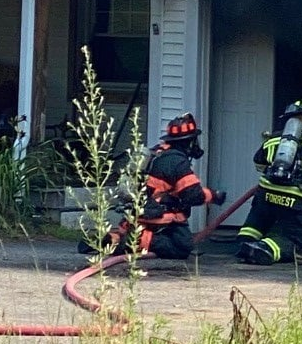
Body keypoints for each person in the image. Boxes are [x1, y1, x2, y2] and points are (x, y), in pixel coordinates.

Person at [85, 112, 223, 261]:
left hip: (142, 213)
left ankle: (114, 239)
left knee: (181, 240)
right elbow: (192, 195)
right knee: (182, 249)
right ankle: (135, 240)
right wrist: (214, 196)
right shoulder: (177, 161)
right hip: (157, 216)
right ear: (188, 142)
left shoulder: (158, 153)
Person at [236, 99, 302, 265]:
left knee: (257, 221)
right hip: (295, 200)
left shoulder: (274, 138)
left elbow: (258, 162)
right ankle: (266, 250)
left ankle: (245, 243)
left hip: (265, 194)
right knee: (297, 239)